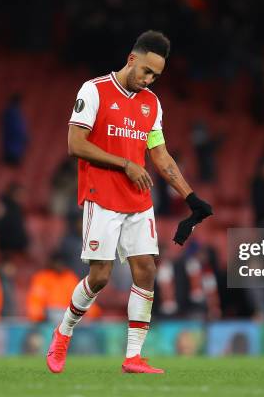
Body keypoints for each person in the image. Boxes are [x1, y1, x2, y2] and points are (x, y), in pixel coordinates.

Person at [46, 31, 213, 375]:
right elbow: (75, 144)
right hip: (102, 196)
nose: (149, 80)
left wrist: (190, 196)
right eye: (147, 71)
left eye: (156, 76)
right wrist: (125, 163)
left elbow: (161, 156)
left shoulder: (151, 104)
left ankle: (133, 356)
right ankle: (63, 332)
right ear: (132, 59)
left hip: (138, 200)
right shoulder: (94, 90)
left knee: (147, 269)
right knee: (100, 277)